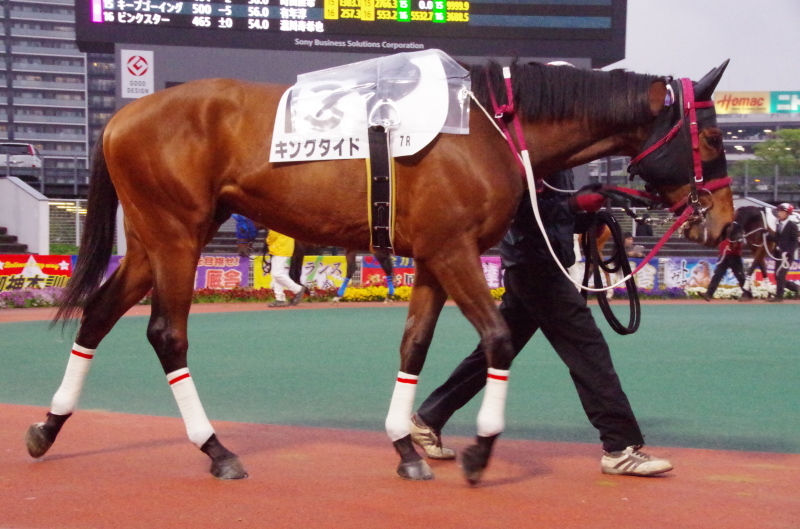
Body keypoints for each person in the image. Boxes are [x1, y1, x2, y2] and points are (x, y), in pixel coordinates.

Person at [409, 170, 673, 477]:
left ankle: (428, 419)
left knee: (493, 353)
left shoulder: (556, 163)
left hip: (530, 266)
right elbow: (518, 212)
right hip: (537, 269)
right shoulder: (530, 156)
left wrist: (586, 215)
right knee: (588, 351)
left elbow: (555, 221)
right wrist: (573, 205)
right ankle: (620, 447)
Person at [266, 229, 307, 307]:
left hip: (280, 248)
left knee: (277, 274)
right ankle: (280, 298)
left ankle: (297, 289)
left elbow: (273, 235)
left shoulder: (275, 222)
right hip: (282, 247)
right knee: (276, 274)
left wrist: (268, 241)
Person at [767, 203, 799, 302]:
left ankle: (779, 297)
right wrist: (767, 235)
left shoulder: (792, 226)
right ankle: (796, 288)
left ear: (787, 213)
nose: (779, 214)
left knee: (780, 275)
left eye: (781, 212)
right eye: (779, 212)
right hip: (778, 255)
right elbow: (777, 239)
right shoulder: (779, 225)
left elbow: (795, 241)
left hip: (787, 256)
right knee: (777, 276)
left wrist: (789, 252)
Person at [699, 234, 746, 301]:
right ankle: (709, 294)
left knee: (740, 276)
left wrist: (733, 246)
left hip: (734, 256)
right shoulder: (722, 230)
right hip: (723, 256)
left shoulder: (736, 229)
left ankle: (747, 293)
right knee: (717, 275)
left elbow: (739, 240)